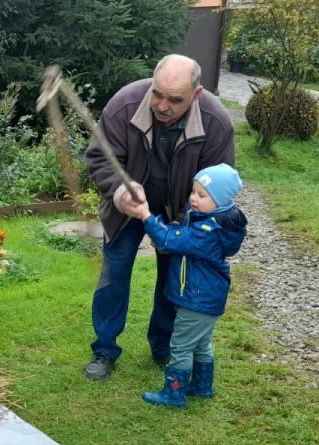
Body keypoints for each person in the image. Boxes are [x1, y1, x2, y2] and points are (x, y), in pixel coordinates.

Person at [83, 53, 236, 380]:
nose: (162, 105)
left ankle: (163, 348)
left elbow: (217, 184)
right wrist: (122, 192)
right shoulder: (124, 104)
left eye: (174, 99)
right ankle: (104, 350)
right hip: (126, 210)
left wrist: (183, 225)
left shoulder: (215, 121)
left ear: (197, 94)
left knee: (173, 280)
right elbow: (100, 159)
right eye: (157, 94)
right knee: (113, 276)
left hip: (181, 213)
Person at [114, 163, 247, 408]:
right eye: (193, 192)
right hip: (208, 299)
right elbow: (182, 234)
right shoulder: (216, 222)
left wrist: (146, 215)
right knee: (202, 344)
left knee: (181, 346)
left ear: (220, 200)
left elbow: (169, 240)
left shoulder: (208, 230)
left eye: (202, 195)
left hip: (196, 299)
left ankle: (173, 393)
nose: (193, 198)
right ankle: (202, 387)